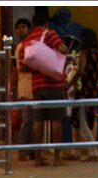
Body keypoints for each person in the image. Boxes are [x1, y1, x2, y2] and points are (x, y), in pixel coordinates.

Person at [19, 8, 68, 167]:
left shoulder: (27, 41)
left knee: (38, 120)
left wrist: (38, 65)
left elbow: (23, 67)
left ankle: (38, 158)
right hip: (54, 84)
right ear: (46, 23)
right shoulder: (50, 34)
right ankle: (57, 158)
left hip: (37, 86)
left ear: (32, 24)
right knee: (56, 119)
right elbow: (63, 49)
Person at [66, 28, 98, 162]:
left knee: (82, 123)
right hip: (92, 91)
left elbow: (80, 71)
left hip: (83, 92)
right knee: (79, 122)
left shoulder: (84, 54)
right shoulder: (97, 55)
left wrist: (71, 83)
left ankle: (93, 152)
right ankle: (75, 152)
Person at [10, 17, 34, 161]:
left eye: (23, 27)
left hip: (31, 86)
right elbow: (14, 69)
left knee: (31, 120)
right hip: (24, 87)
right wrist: (11, 88)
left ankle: (30, 150)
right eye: (18, 27)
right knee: (27, 120)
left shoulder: (30, 45)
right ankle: (23, 151)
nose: (20, 30)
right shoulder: (19, 47)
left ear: (29, 29)